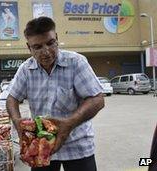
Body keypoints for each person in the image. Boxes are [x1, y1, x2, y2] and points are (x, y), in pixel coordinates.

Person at [6, 17, 105, 171]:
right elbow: (12, 98)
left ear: (57, 38)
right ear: (29, 47)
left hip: (77, 145)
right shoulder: (26, 69)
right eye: (37, 47)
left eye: (50, 43)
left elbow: (97, 100)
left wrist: (69, 124)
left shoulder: (76, 62)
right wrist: (17, 122)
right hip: (41, 145)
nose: (46, 52)